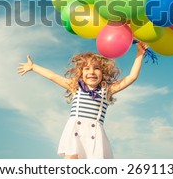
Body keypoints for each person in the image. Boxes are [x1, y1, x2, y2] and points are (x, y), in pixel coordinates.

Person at [17, 41, 149, 159]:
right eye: (87, 69)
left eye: (96, 68)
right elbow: (52, 76)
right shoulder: (76, 87)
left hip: (94, 135)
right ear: (81, 73)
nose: (91, 72)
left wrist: (139, 54)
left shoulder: (106, 90)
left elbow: (131, 77)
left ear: (103, 73)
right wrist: (34, 67)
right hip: (75, 132)